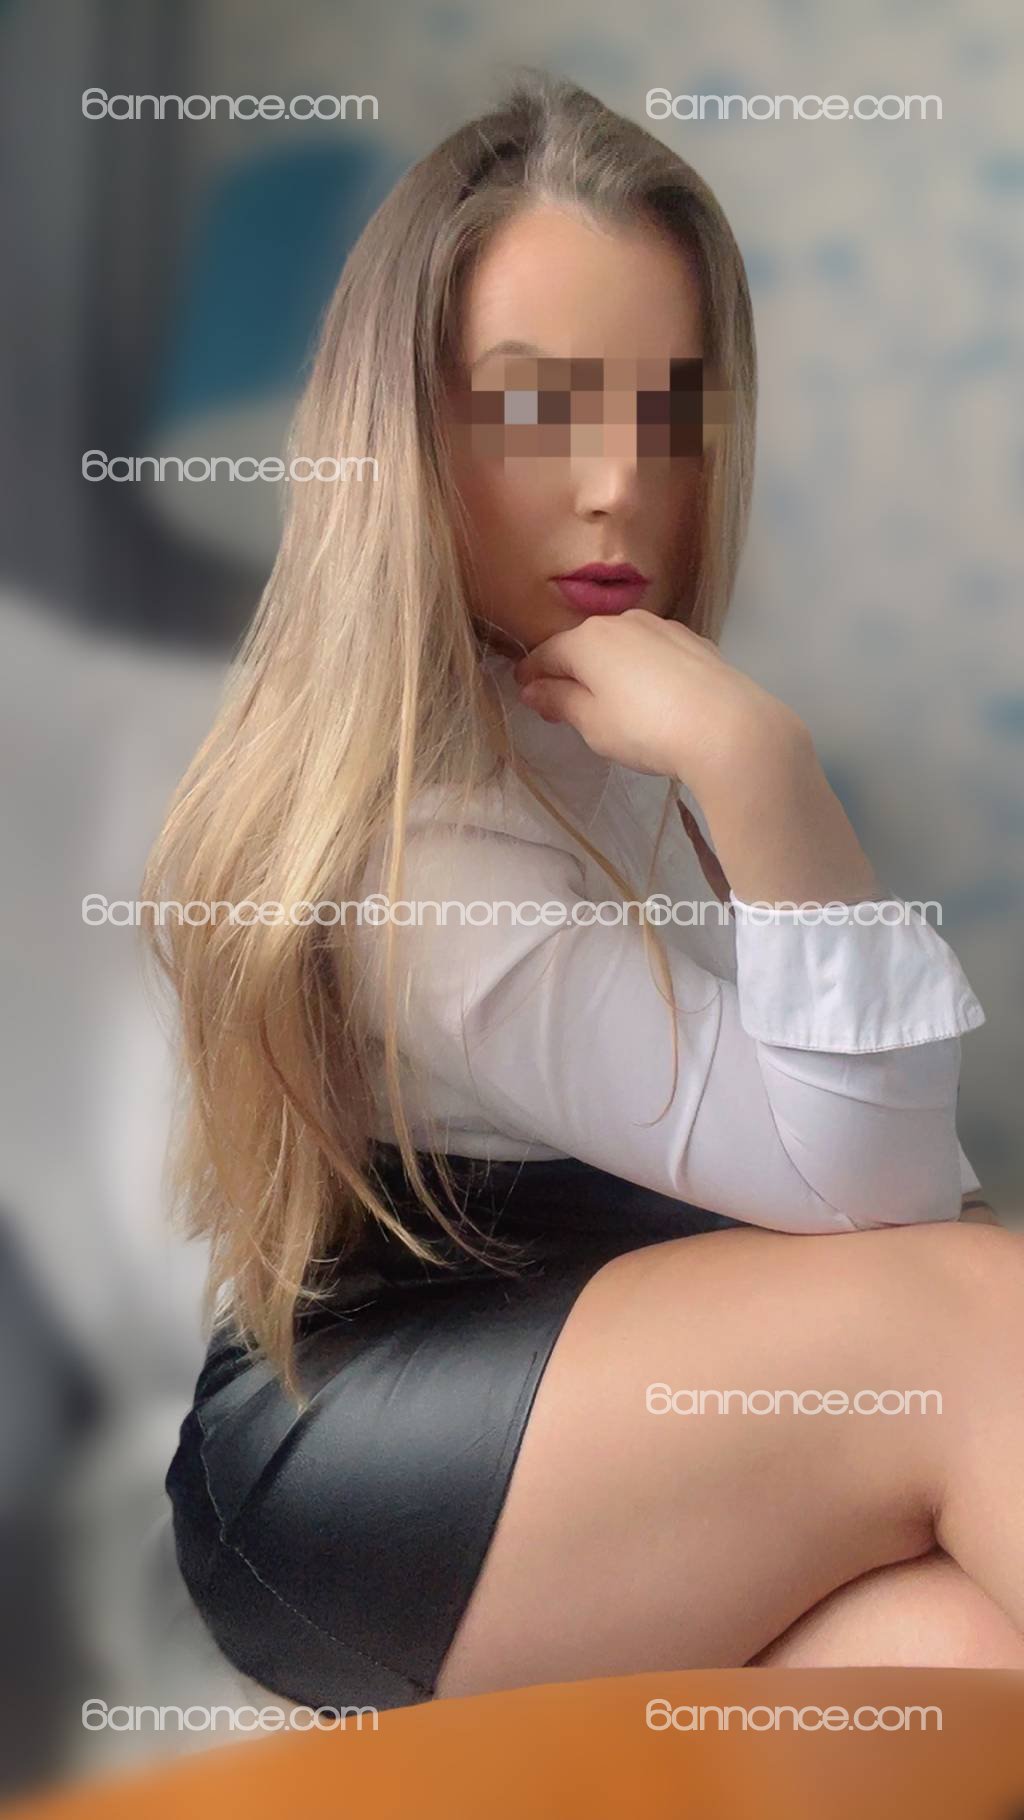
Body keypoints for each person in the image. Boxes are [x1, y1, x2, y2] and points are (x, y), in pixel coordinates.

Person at [146, 74, 1024, 1714]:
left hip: (613, 1399)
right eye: (534, 408)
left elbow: (885, 1184)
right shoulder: (416, 842)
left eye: (667, 408)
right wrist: (767, 772)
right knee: (981, 1317)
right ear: (402, 433)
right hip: (364, 1452)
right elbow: (896, 1205)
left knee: (972, 1668)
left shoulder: (604, 708)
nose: (619, 482)